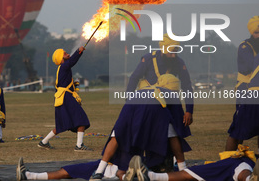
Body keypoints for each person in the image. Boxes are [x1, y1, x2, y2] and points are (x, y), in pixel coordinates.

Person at [90, 74, 191, 180]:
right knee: (173, 134)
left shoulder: (143, 89)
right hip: (154, 110)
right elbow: (178, 121)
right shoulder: (170, 93)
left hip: (129, 109)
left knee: (117, 136)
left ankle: (99, 171)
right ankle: (182, 169)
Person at [126, 34, 194, 170]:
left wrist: (188, 110)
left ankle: (180, 166)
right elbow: (134, 78)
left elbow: (187, 85)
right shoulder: (148, 59)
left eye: (176, 52)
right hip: (149, 103)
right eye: (171, 52)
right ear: (164, 50)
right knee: (146, 133)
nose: (174, 55)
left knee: (174, 134)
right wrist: (129, 102)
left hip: (170, 103)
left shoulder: (179, 62)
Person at [38, 47, 92, 151]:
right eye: (65, 53)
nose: (67, 54)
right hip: (66, 97)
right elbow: (72, 61)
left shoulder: (63, 68)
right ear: (60, 58)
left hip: (62, 98)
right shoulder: (64, 66)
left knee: (62, 124)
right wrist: (78, 51)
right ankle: (79, 146)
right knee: (81, 120)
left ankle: (44, 142)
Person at [126, 145, 259, 181]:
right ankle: (150, 176)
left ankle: (150, 176)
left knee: (192, 173)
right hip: (239, 161)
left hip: (241, 161)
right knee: (194, 173)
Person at [226, 16, 259, 151]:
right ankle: (227, 159)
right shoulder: (245, 46)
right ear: (251, 33)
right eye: (256, 32)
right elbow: (249, 67)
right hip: (245, 89)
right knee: (239, 127)